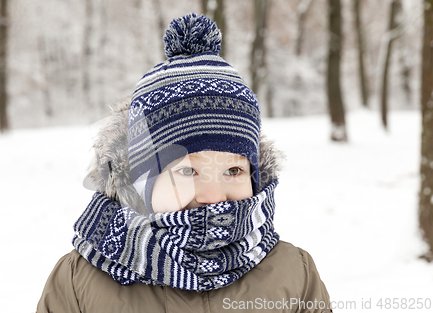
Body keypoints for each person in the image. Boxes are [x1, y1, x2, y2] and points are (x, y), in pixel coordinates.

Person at [36, 13, 332, 313]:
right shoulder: (79, 281)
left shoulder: (294, 274)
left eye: (233, 170)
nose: (213, 196)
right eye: (188, 171)